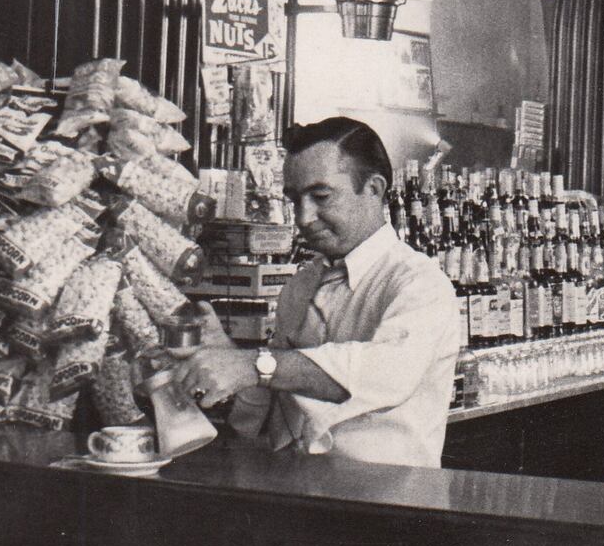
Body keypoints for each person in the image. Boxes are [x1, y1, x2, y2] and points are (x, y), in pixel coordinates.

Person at [174, 117, 461, 468]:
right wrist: (227, 358)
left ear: (373, 189)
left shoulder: (418, 283)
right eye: (294, 200)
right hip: (303, 493)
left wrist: (255, 366)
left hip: (388, 505)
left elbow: (385, 374)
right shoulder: (302, 285)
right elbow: (274, 400)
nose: (304, 218)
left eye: (321, 196)